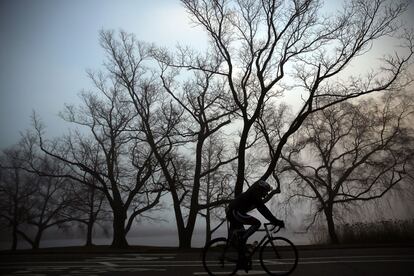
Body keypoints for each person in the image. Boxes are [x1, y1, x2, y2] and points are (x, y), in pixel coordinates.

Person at [226, 179, 284, 270]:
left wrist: (274, 220)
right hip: (235, 212)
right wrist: (276, 221)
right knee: (257, 223)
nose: (266, 194)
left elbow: (263, 210)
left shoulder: (254, 193)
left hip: (233, 211)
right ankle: (242, 243)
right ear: (261, 189)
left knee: (242, 236)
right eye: (266, 191)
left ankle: (242, 262)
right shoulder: (255, 195)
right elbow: (264, 210)